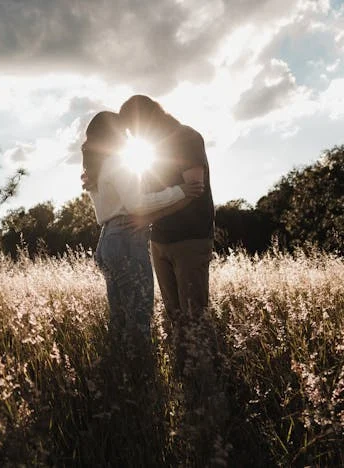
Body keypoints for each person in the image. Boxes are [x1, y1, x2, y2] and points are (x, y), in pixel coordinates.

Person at [118, 95, 227, 464]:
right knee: (172, 315)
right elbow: (142, 195)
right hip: (158, 239)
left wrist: (155, 208)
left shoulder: (187, 138)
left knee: (194, 315)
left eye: (134, 127)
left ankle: (208, 394)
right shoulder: (149, 149)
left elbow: (194, 189)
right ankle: (185, 385)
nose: (133, 135)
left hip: (191, 238)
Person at [81, 110, 203, 356]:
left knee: (119, 317)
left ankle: (120, 370)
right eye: (122, 131)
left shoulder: (97, 168)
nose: (127, 136)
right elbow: (137, 203)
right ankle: (141, 375)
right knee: (139, 315)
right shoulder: (116, 162)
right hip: (126, 238)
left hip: (107, 240)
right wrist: (181, 190)